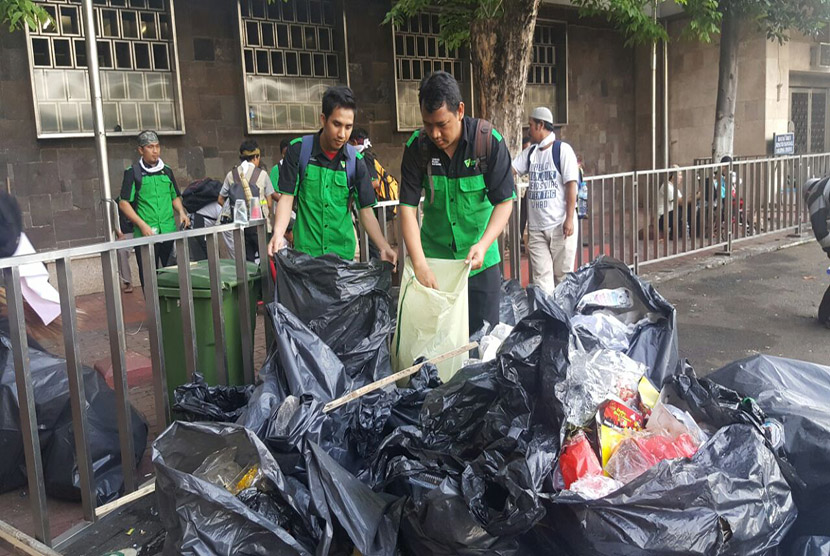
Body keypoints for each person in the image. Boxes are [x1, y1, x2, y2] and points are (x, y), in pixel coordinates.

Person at [399, 71, 515, 333]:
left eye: (442, 124)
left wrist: (484, 245)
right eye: (428, 125)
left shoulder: (487, 142)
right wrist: (419, 264)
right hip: (434, 264)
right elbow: (406, 208)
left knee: (481, 341)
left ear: (460, 110)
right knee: (435, 342)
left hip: (479, 264)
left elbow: (505, 201)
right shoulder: (418, 148)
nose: (435, 134)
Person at [266, 86, 397, 270]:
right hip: (306, 257)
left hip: (342, 258)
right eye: (337, 124)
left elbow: (366, 211)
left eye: (348, 127)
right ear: (323, 119)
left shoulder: (356, 162)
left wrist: (384, 246)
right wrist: (278, 234)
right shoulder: (298, 151)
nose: (342, 134)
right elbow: (287, 198)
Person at [512, 106, 579, 295]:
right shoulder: (531, 153)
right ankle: (550, 318)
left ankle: (564, 317)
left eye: (531, 125)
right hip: (536, 229)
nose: (528, 130)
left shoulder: (563, 151)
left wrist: (569, 218)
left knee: (563, 277)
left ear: (541, 125)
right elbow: (512, 170)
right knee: (542, 281)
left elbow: (571, 186)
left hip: (560, 226)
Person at [118, 130, 189, 289]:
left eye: (157, 146)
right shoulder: (133, 173)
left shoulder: (167, 170)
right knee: (149, 279)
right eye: (150, 147)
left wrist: (182, 213)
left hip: (168, 231)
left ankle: (170, 310)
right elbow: (124, 203)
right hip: (145, 234)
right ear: (141, 150)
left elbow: (174, 196)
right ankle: (154, 312)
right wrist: (142, 224)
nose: (155, 151)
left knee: (173, 275)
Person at [218, 140, 275, 261]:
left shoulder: (231, 175)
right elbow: (269, 204)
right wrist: (262, 204)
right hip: (260, 226)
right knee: (266, 261)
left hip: (240, 227)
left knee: (247, 263)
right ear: (256, 157)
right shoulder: (262, 174)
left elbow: (220, 199)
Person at [349, 128, 399, 257]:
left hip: (373, 207)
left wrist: (358, 188)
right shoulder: (369, 154)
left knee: (372, 245)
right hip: (374, 207)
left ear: (354, 142)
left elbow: (375, 182)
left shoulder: (364, 157)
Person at [658, 164, 684, 237]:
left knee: (685, 209)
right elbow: (680, 202)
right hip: (662, 218)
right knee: (679, 211)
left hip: (669, 214)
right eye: (679, 175)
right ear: (673, 176)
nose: (681, 178)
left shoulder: (674, 187)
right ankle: (673, 233)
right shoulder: (667, 186)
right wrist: (695, 197)